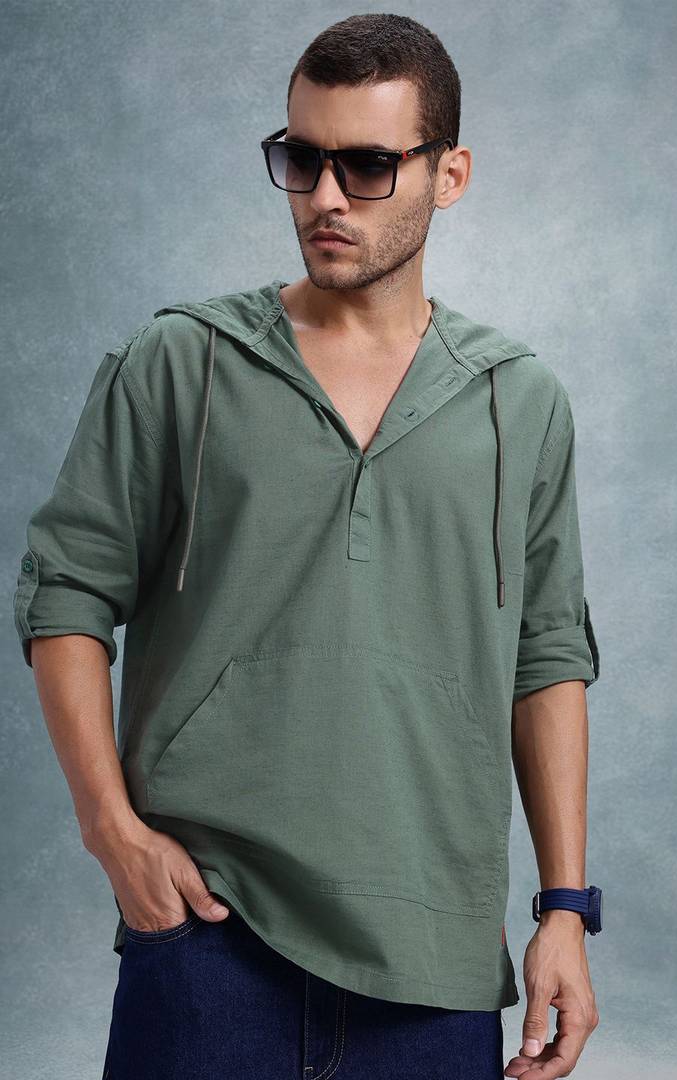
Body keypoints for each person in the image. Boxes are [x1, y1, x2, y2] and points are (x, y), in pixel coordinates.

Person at [13, 13, 601, 1080]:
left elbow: (548, 655)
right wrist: (110, 832)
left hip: (433, 958)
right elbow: (65, 593)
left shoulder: (520, 401)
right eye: (301, 159)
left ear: (450, 174)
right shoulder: (181, 362)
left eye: (367, 166)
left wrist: (564, 908)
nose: (325, 197)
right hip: (206, 932)